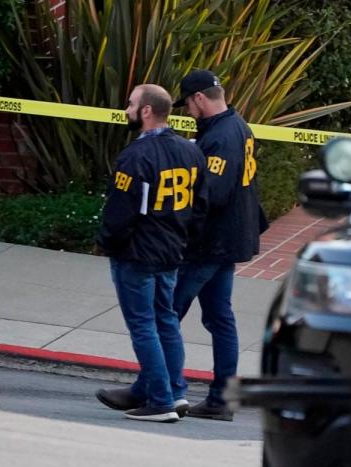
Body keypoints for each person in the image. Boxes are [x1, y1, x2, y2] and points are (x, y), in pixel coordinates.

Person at [94, 84, 208, 423]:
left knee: (144, 326)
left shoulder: (135, 157)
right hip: (171, 251)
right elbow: (200, 206)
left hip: (138, 254)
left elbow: (121, 213)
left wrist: (108, 242)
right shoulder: (191, 152)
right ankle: (175, 391)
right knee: (166, 322)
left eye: (131, 104)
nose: (127, 109)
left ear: (146, 111)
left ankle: (161, 401)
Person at [170, 69, 269, 421]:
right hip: (229, 238)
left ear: (199, 98)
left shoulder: (222, 137)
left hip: (210, 243)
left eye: (188, 105)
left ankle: (161, 391)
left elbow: (210, 195)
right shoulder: (238, 126)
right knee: (219, 317)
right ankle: (221, 399)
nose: (187, 112)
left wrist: (177, 231)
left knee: (167, 313)